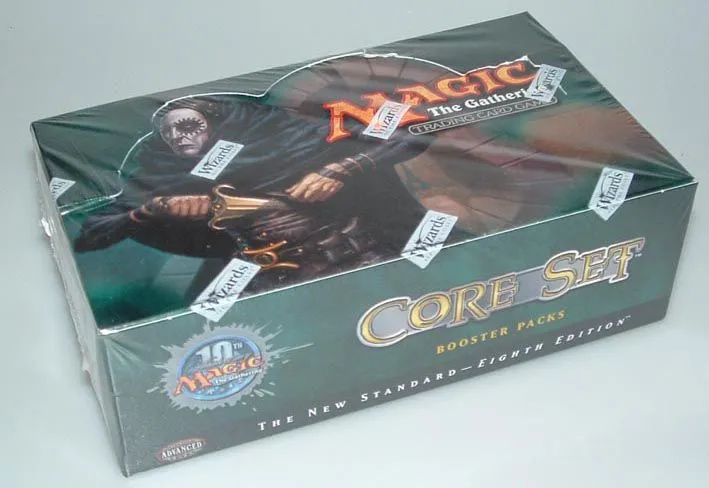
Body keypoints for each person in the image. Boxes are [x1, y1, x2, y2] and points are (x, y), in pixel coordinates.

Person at [74, 96, 447, 296]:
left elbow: (416, 126)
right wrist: (150, 210)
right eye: (170, 134)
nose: (180, 139)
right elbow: (92, 232)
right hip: (270, 279)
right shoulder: (163, 172)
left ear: (216, 124)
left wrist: (346, 167)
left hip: (362, 253)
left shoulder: (291, 135)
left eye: (189, 127)